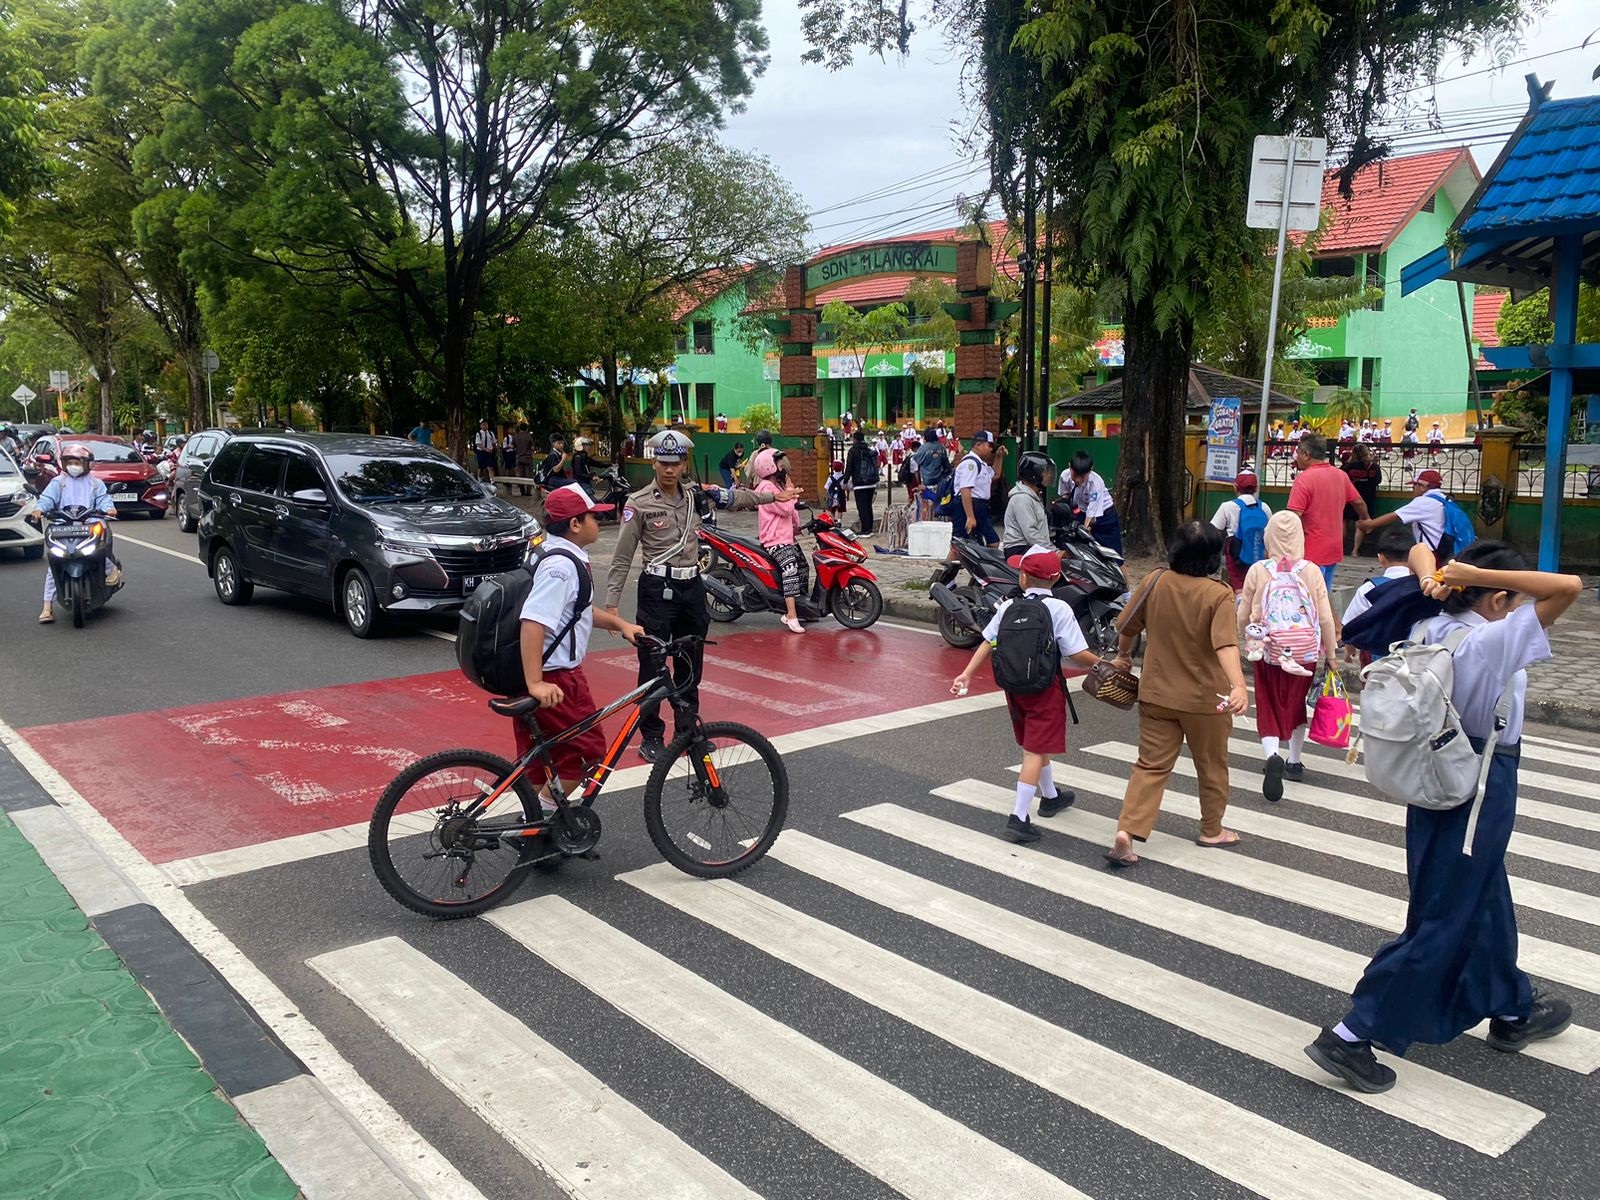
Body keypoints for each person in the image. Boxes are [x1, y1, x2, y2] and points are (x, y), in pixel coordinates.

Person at [1305, 541, 1582, 1094]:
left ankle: (1512, 1006)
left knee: (1482, 892)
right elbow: (1569, 587)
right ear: (1499, 600)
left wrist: (1442, 575)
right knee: (1446, 913)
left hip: (1436, 773)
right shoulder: (1492, 641)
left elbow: (1416, 550)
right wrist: (1480, 574)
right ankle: (1353, 1034)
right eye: (1513, 596)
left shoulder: (1430, 624)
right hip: (1480, 782)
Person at [602, 430, 798, 762]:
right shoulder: (639, 503)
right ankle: (651, 735)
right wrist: (611, 605)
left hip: (691, 588)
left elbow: (736, 497)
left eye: (675, 463)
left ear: (684, 464)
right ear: (654, 463)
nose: (669, 469)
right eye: (663, 463)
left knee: (690, 664)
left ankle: (687, 732)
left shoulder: (697, 495)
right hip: (656, 590)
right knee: (652, 665)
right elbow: (622, 557)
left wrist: (773, 498)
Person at [1104, 522, 1247, 866]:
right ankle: (1211, 829)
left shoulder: (1155, 581)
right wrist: (1239, 685)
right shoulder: (1219, 594)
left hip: (1156, 694)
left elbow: (1126, 625)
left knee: (1150, 765)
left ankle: (1128, 830)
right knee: (1211, 765)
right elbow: (1226, 645)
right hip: (1205, 700)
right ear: (1213, 557)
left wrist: (1123, 655)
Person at [951, 545, 1101, 844]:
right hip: (1044, 688)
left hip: (1014, 688)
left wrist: (966, 674)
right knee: (1034, 750)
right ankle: (1019, 818)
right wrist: (1104, 663)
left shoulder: (1008, 606)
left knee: (1035, 741)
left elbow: (987, 641)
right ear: (1056, 578)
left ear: (1022, 578)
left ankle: (1051, 796)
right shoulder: (1059, 608)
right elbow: (1076, 653)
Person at [514, 484, 645, 808]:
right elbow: (533, 621)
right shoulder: (561, 568)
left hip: (539, 670)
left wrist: (620, 624)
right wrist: (536, 683)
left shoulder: (548, 552)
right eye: (593, 517)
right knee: (588, 753)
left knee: (541, 757)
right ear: (575, 524)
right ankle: (545, 818)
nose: (598, 522)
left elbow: (576, 609)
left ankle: (532, 824)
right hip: (556, 678)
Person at [1236, 512, 1339, 800]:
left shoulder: (1258, 570)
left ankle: (1272, 755)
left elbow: (1243, 612)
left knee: (1267, 701)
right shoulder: (1311, 570)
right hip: (1305, 651)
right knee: (1295, 703)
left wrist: (1246, 637)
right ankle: (1294, 761)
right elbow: (1325, 617)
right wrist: (1331, 655)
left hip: (1268, 649)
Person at [32, 443, 121, 624]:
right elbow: (47, 499)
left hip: (90, 524)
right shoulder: (58, 482)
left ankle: (110, 569)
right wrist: (39, 509)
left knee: (99, 549)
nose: (74, 466)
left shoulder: (96, 483)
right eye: (70, 462)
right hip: (62, 526)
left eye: (77, 462)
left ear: (87, 464)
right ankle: (47, 608)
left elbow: (104, 500)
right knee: (54, 564)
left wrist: (109, 509)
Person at [1287, 431, 1368, 592]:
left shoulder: (1304, 480)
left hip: (1310, 550)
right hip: (1333, 547)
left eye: (1298, 453)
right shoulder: (1340, 475)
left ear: (1306, 454)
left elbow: (1293, 517)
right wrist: (1365, 519)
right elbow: (1358, 502)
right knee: (1324, 593)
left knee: (1306, 596)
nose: (1296, 457)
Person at [751, 447, 808, 634]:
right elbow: (785, 509)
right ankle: (791, 615)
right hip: (774, 540)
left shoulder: (778, 486)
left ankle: (802, 607)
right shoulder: (767, 489)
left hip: (787, 538)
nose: (784, 467)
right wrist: (791, 490)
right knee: (790, 570)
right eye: (780, 464)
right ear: (769, 467)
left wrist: (798, 527)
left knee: (803, 566)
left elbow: (792, 510)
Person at [1356, 468, 1457, 558]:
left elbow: (1395, 516)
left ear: (1423, 486)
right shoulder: (1445, 499)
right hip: (1445, 549)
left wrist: (1369, 524)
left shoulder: (1424, 502)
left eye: (1414, 486)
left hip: (1430, 551)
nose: (1413, 489)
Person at [1340, 525, 1414, 634]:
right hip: (1416, 644)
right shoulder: (1425, 586)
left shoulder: (1368, 588)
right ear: (1413, 556)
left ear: (1380, 557)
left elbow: (1349, 626)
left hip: (1377, 643)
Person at [1210, 471, 1271, 593]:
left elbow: (1214, 529)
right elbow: (1270, 531)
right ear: (1256, 488)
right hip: (1259, 553)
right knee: (1257, 587)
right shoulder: (1264, 507)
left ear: (1235, 487)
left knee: (1239, 587)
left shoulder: (1227, 506)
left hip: (1236, 554)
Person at [1061, 452, 1121, 554]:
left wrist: (1084, 533)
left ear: (1090, 470)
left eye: (1082, 476)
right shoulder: (1064, 476)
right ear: (1070, 467)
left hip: (1104, 517)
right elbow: (1065, 496)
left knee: (1112, 554)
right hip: (1082, 512)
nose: (1078, 480)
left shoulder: (1095, 484)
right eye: (1075, 475)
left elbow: (1091, 517)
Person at [951, 431, 1002, 549]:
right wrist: (970, 517)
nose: (991, 449)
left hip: (979, 508)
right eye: (989, 445)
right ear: (978, 445)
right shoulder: (971, 464)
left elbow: (995, 475)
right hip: (967, 507)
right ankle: (951, 564)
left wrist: (999, 456)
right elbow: (965, 489)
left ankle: (981, 562)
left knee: (992, 542)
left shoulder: (981, 464)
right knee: (959, 546)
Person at [1001, 452, 1055, 557]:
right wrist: (1053, 551)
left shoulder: (1033, 495)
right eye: (1045, 472)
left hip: (1030, 546)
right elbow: (1031, 533)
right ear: (1034, 474)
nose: (1049, 475)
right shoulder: (1022, 499)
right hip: (1019, 549)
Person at [1342, 443, 1381, 556]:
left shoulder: (1348, 466)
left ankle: (1340, 547)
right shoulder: (1374, 467)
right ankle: (1355, 550)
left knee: (1344, 521)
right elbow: (1378, 481)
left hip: (1349, 496)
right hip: (1367, 497)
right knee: (1361, 522)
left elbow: (1341, 477)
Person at [845, 429, 879, 535]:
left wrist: (845, 480)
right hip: (871, 482)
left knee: (862, 507)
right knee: (868, 506)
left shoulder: (853, 451)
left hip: (860, 483)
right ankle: (869, 528)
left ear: (854, 439)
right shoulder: (868, 450)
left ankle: (865, 530)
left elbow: (849, 467)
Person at [912, 427, 950, 521]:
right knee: (940, 504)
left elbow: (916, 466)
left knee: (927, 509)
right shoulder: (941, 447)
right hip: (940, 483)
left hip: (927, 482)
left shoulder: (923, 448)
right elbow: (947, 466)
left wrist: (918, 483)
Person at [512, 425, 535, 496]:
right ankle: (528, 492)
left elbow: (512, 446)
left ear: (519, 428)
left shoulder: (516, 436)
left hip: (519, 458)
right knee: (529, 475)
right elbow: (532, 447)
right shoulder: (529, 437)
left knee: (520, 475)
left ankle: (522, 491)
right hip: (528, 458)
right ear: (527, 429)